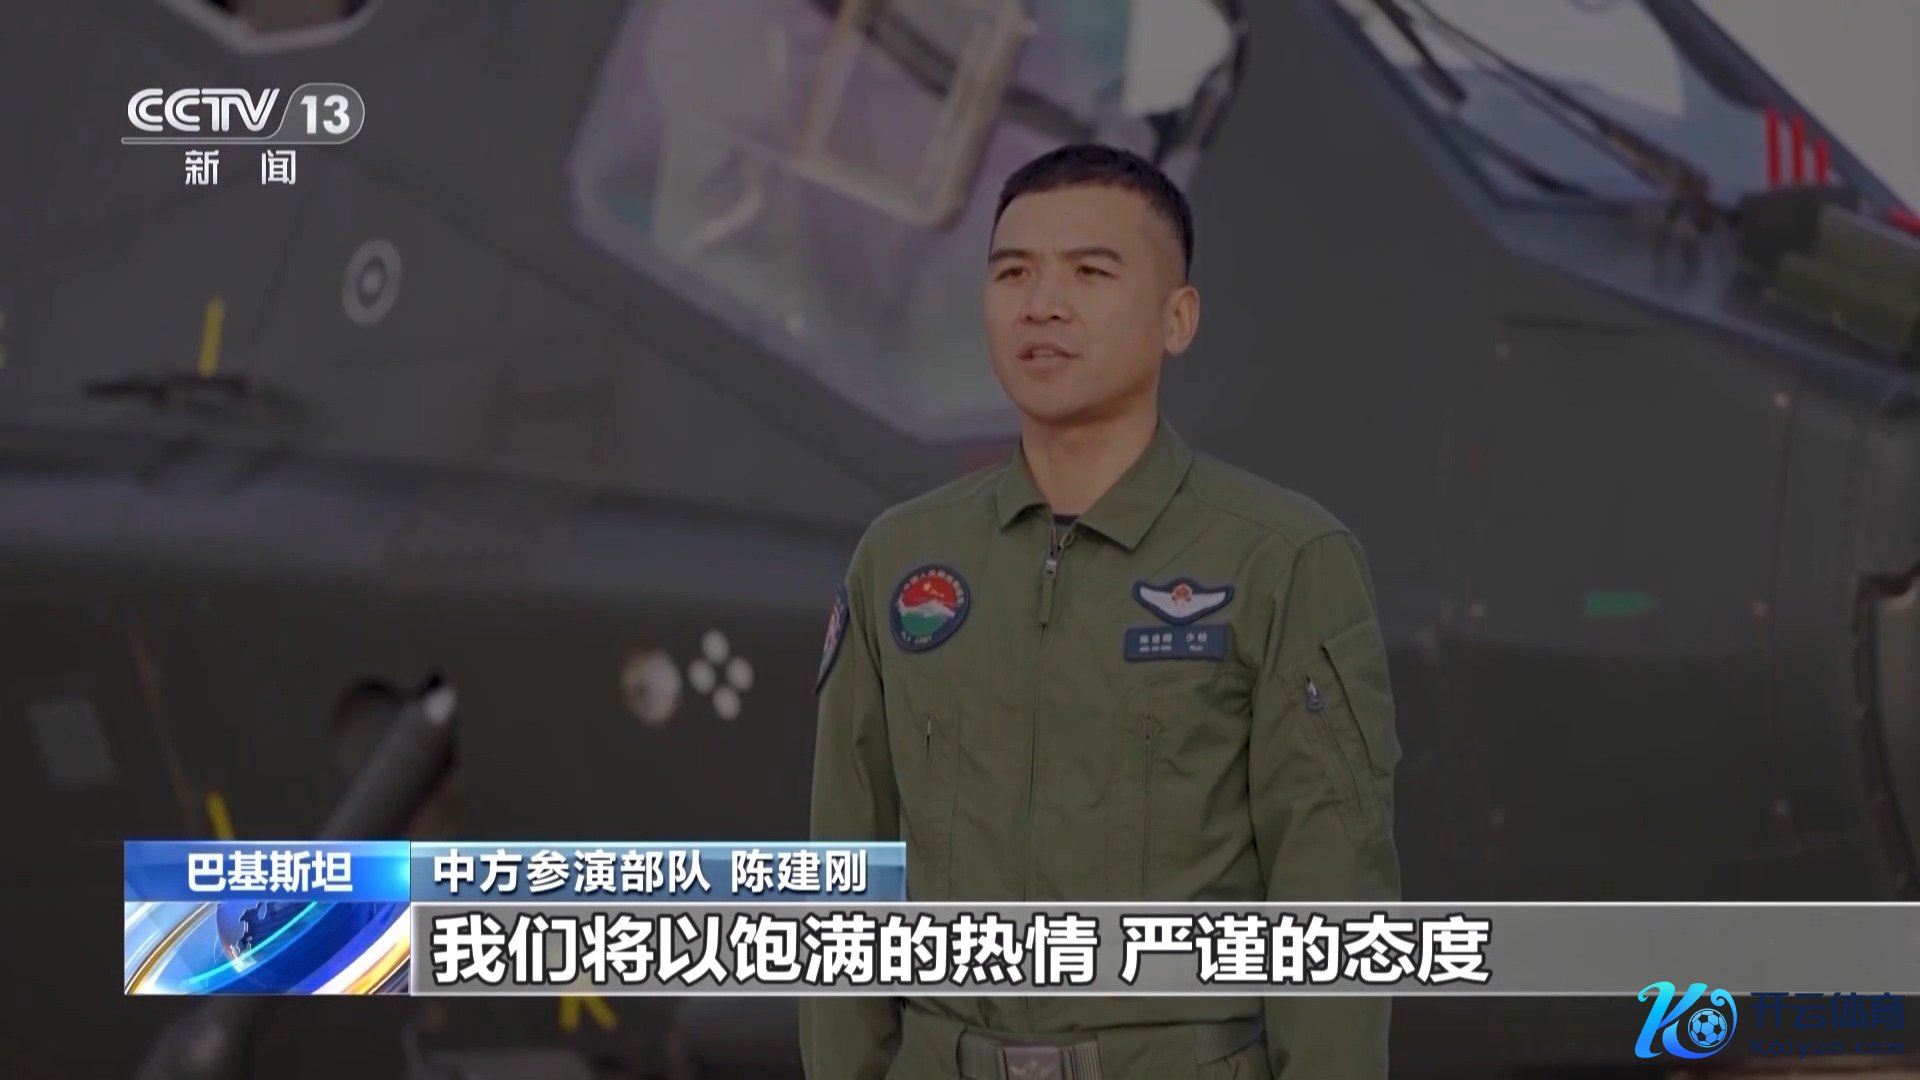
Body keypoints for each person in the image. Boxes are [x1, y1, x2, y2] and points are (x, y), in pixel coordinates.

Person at [803, 143, 1402, 1080]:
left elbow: (1331, 900)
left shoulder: (1280, 558)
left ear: (1177, 318)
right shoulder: (902, 558)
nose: (1042, 304)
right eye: (1013, 273)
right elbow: (849, 873)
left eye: (1090, 272)